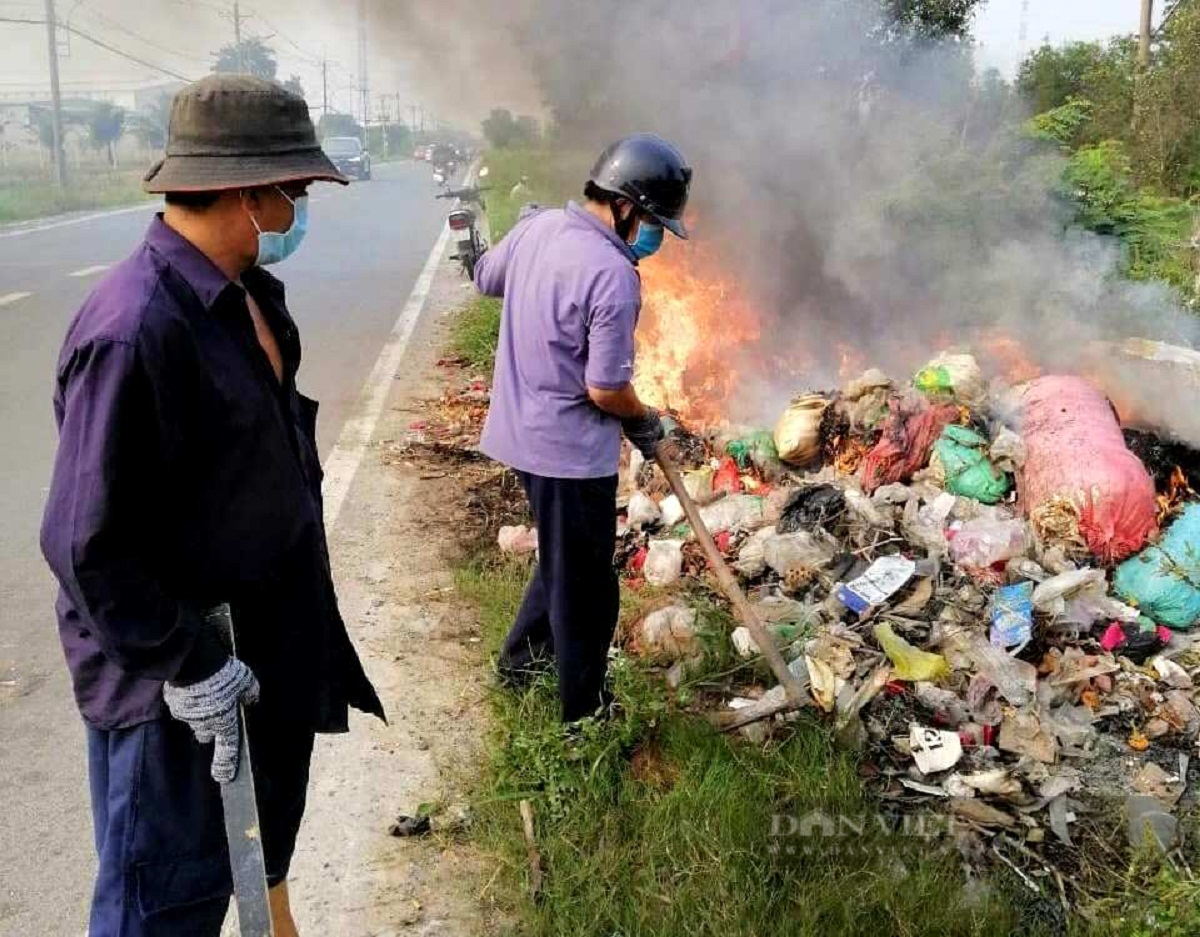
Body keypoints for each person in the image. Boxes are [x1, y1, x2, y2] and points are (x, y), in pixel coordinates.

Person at [40, 74, 384, 937]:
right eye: (294, 191)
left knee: (257, 871)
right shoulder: (135, 327)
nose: (300, 208)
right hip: (172, 697)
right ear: (243, 189)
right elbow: (86, 544)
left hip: (262, 661)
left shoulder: (251, 301)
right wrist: (191, 665)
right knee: (160, 912)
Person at [474, 133, 693, 722]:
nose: (653, 236)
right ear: (626, 206)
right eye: (652, 221)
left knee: (563, 560)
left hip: (516, 435)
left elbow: (485, 278)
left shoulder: (538, 229)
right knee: (588, 591)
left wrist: (524, 245)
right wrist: (644, 420)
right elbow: (604, 389)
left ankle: (522, 662)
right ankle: (584, 714)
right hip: (567, 455)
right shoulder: (614, 275)